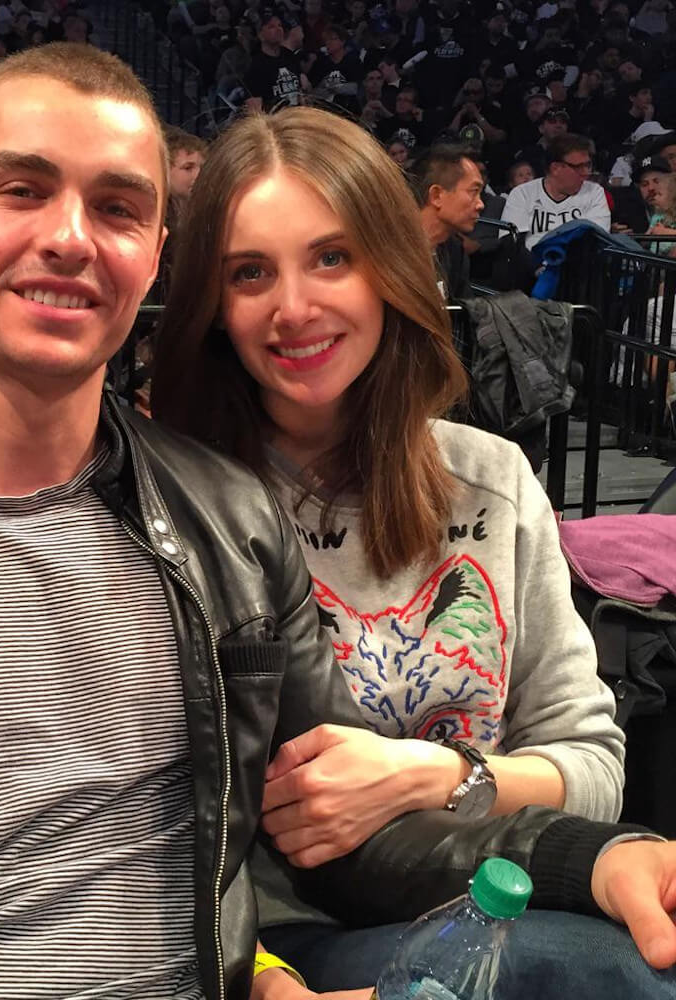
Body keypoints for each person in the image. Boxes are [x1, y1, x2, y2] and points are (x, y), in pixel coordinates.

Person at [0, 44, 676, 1000]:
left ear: (153, 257)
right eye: (23, 189)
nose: (70, 235)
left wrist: (594, 859)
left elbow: (337, 830)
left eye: (116, 206)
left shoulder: (224, 521)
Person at [149, 105, 675, 998]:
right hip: (293, 939)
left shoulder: (491, 477)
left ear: (389, 268)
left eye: (330, 257)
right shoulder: (174, 502)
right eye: (249, 272)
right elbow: (160, 825)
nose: (294, 307)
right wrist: (266, 982)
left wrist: (435, 774)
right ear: (211, 302)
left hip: (500, 888)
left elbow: (592, 768)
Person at [501, 132, 611, 248]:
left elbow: (596, 240)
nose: (586, 173)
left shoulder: (594, 192)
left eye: (588, 165)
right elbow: (511, 243)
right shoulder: (522, 193)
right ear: (555, 168)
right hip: (530, 263)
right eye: (579, 167)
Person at [409, 144, 485, 299]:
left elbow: (463, 315)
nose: (480, 204)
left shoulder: (455, 250)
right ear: (436, 196)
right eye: (473, 192)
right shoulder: (387, 250)